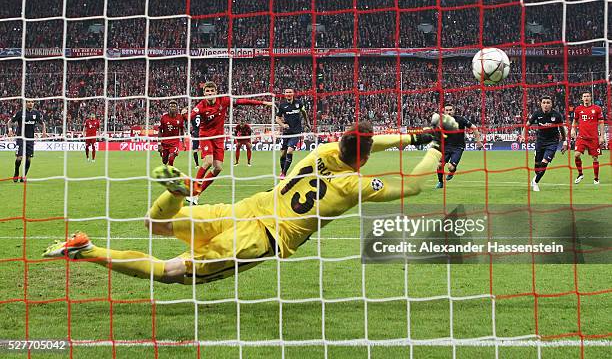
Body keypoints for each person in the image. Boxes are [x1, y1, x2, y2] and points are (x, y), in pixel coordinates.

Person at [42, 115, 458, 284]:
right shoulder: (353, 186)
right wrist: (433, 149)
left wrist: (413, 134)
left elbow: (365, 141)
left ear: (342, 143)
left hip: (246, 207)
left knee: (157, 225)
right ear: (364, 158)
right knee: (172, 272)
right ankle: (89, 250)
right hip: (261, 238)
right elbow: (415, 187)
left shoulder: (320, 153)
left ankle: (174, 194)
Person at [187, 81, 274, 205]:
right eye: (207, 91)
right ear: (204, 93)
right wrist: (185, 117)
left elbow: (243, 101)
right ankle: (193, 191)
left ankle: (197, 195)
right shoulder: (201, 106)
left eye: (212, 91)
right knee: (208, 161)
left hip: (219, 138)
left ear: (216, 92)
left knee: (218, 168)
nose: (210, 93)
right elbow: (191, 116)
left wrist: (263, 103)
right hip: (205, 136)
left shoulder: (224, 100)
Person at [520, 96, 567, 192]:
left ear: (551, 104)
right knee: (537, 165)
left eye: (548, 102)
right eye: (544, 102)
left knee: (544, 162)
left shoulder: (557, 115)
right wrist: (523, 136)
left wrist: (565, 142)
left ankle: (535, 182)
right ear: (541, 104)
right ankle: (537, 175)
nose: (546, 105)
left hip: (553, 142)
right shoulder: (537, 114)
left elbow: (562, 128)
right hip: (540, 141)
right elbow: (527, 126)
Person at [435, 104, 483, 188]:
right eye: (447, 110)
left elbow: (474, 128)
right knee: (439, 165)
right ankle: (440, 182)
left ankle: (452, 171)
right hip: (446, 147)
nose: (449, 112)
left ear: (454, 110)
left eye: (450, 110)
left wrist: (478, 141)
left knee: (450, 167)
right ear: (444, 111)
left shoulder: (460, 119)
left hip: (458, 147)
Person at [571, 92, 605, 184]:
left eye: (588, 96)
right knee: (576, 155)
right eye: (584, 96)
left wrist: (601, 136)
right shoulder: (578, 109)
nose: (586, 98)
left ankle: (596, 179)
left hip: (593, 138)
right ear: (582, 98)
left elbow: (601, 123)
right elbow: (575, 121)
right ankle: (580, 174)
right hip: (581, 137)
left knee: (595, 158)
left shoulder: (597, 109)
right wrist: (573, 130)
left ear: (591, 98)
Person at [276, 88, 311, 179]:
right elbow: (277, 118)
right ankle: (282, 169)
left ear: (293, 94)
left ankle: (284, 173)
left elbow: (304, 113)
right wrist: (283, 125)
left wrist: (308, 123)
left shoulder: (299, 103)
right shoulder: (282, 105)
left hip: (296, 132)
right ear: (284, 94)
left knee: (290, 150)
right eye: (287, 92)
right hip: (287, 132)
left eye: (290, 92)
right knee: (283, 153)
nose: (288, 93)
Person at [8, 100, 46, 182]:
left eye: (32, 102)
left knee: (28, 159)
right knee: (19, 158)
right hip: (20, 138)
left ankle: (23, 176)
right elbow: (10, 122)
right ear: (25, 103)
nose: (30, 103)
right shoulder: (20, 113)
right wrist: (10, 130)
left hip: (30, 139)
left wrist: (44, 132)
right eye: (28, 102)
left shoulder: (36, 113)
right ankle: (16, 173)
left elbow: (42, 123)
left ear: (34, 103)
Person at [158, 100, 185, 166]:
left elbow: (182, 130)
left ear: (177, 108)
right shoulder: (164, 117)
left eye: (174, 106)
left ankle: (170, 173)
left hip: (174, 143)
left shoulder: (180, 118)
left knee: (171, 158)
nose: (173, 108)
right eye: (171, 106)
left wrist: (183, 143)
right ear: (168, 108)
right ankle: (167, 169)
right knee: (164, 161)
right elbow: (160, 131)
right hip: (165, 142)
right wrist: (159, 144)